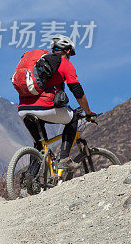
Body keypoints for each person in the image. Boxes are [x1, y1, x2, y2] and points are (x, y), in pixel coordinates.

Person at [17, 35, 98, 171]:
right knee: (73, 119)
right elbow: (77, 91)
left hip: (23, 110)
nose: (70, 56)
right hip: (44, 108)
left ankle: (31, 181)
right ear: (67, 51)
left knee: (39, 144)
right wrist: (88, 112)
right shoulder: (65, 63)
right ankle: (64, 159)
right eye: (71, 53)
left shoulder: (39, 63)